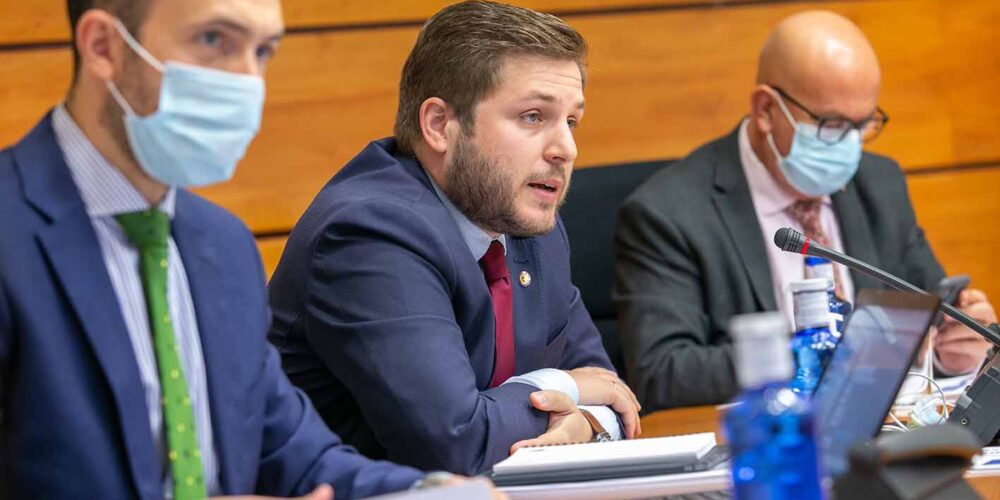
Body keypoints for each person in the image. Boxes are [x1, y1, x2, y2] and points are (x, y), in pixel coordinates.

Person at [0, 0, 500, 497]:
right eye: (215, 40)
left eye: (262, 51)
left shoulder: (223, 246)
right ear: (103, 47)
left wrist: (439, 493)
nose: (247, 81)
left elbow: (299, 458)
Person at [268, 0, 641, 476]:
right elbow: (455, 444)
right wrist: (563, 388)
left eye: (571, 121)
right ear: (440, 125)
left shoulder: (528, 224)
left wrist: (585, 423)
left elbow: (611, 392)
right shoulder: (370, 232)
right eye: (533, 116)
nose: (566, 149)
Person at [614, 10, 997, 411]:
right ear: (766, 110)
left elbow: (930, 312)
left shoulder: (879, 184)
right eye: (832, 124)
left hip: (885, 434)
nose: (850, 145)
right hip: (771, 442)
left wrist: (953, 344)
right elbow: (663, 373)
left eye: (862, 124)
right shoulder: (668, 213)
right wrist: (820, 354)